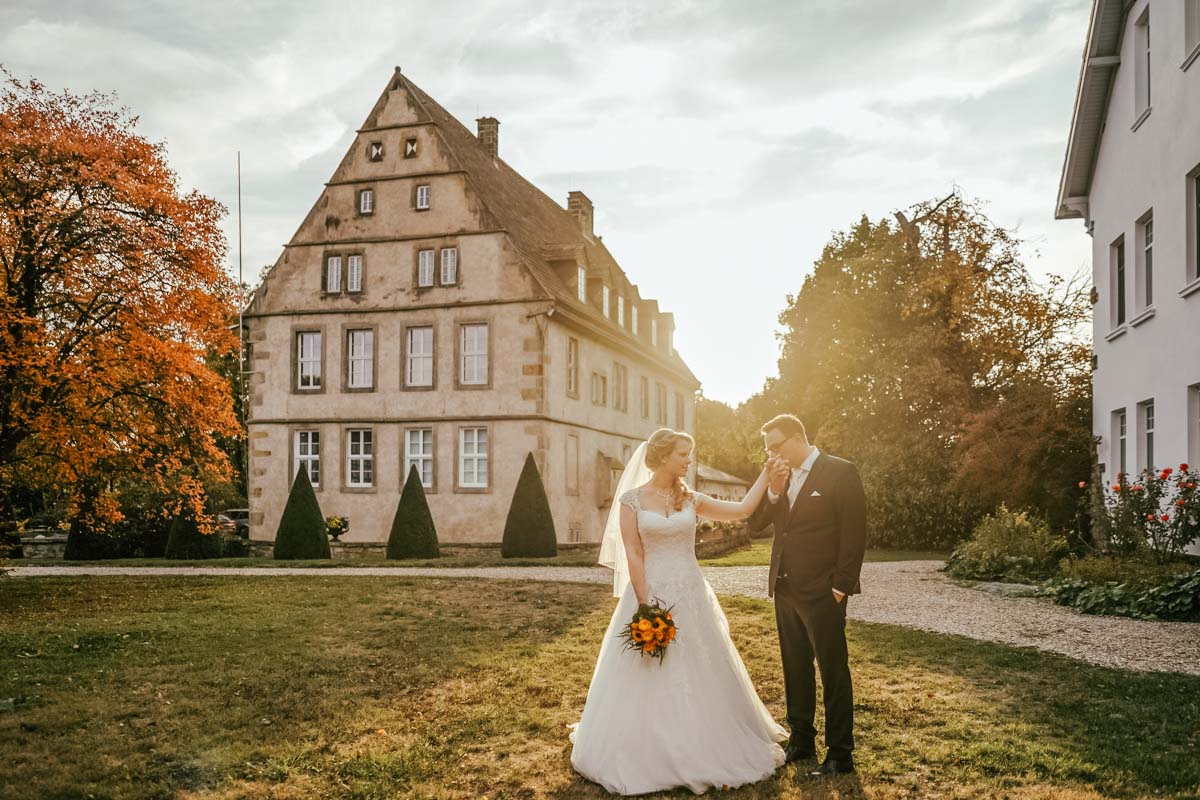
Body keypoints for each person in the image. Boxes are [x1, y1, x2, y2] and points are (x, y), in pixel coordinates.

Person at [569, 428, 788, 795]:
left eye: (689, 454)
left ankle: (708, 740)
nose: (688, 460)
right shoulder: (631, 501)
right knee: (648, 667)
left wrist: (766, 474)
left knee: (702, 663)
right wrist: (644, 606)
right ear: (662, 457)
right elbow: (635, 554)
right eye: (683, 454)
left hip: (690, 594)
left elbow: (743, 511)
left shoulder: (691, 498)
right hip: (650, 594)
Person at [748, 413, 867, 777]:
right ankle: (801, 740)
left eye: (776, 447)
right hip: (785, 588)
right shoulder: (779, 478)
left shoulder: (840, 471)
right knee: (794, 667)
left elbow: (854, 533)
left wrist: (840, 586)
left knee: (832, 670)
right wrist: (772, 489)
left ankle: (840, 755)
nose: (772, 456)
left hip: (823, 591)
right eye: (767, 450)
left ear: (798, 438)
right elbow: (753, 526)